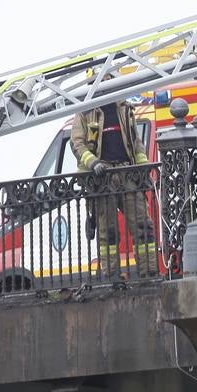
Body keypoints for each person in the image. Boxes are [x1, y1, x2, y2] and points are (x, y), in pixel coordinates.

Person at [71, 99, 153, 280]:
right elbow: (77, 143)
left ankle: (149, 272)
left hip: (127, 172)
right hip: (102, 177)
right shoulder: (85, 113)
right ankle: (112, 276)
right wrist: (93, 163)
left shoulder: (124, 109)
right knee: (108, 231)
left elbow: (136, 143)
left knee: (143, 225)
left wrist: (144, 168)